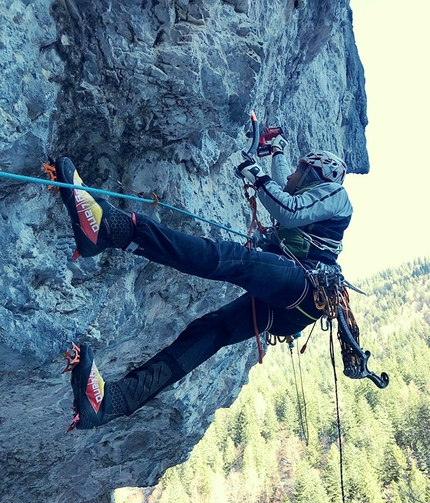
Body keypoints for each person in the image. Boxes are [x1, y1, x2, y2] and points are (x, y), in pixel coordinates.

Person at [55, 136, 352, 430]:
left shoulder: (336, 195)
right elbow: (287, 186)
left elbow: (289, 209)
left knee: (227, 258)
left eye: (299, 170)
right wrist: (277, 150)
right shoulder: (315, 197)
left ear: (316, 174)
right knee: (210, 331)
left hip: (304, 286)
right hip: (295, 304)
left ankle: (111, 229)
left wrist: (255, 173)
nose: (290, 174)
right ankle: (107, 404)